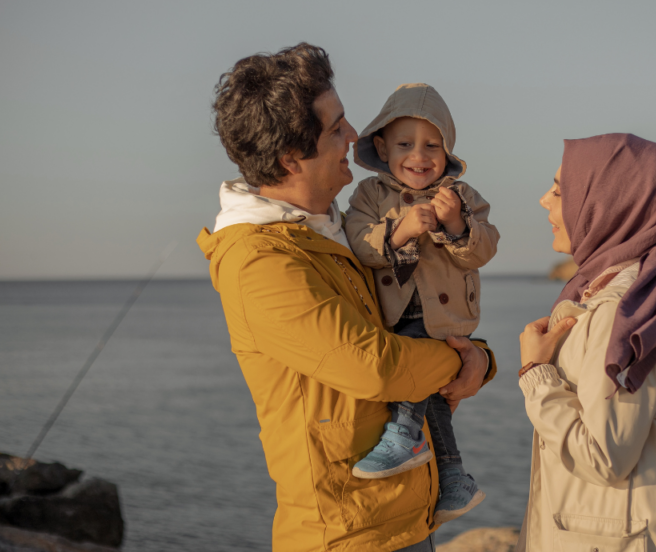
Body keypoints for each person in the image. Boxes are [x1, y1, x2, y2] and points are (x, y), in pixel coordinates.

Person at [196, 43, 496, 552]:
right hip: (346, 534)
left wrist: (477, 358)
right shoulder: (258, 260)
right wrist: (467, 362)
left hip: (402, 520)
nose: (355, 137)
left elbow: (409, 325)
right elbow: (375, 367)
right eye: (336, 128)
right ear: (292, 157)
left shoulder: (337, 233)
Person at [516, 133, 656, 552]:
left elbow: (603, 457)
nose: (544, 200)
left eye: (560, 189)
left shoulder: (626, 311)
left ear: (611, 203)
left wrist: (535, 375)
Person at [344, 83, 500, 523]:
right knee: (433, 399)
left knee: (417, 363)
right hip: (393, 310)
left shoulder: (463, 195)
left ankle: (403, 436)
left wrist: (456, 224)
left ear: (448, 150)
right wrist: (400, 228)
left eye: (433, 145)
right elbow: (360, 243)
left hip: (444, 314)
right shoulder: (370, 195)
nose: (420, 155)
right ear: (381, 146)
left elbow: (484, 250)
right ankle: (453, 477)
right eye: (405, 144)